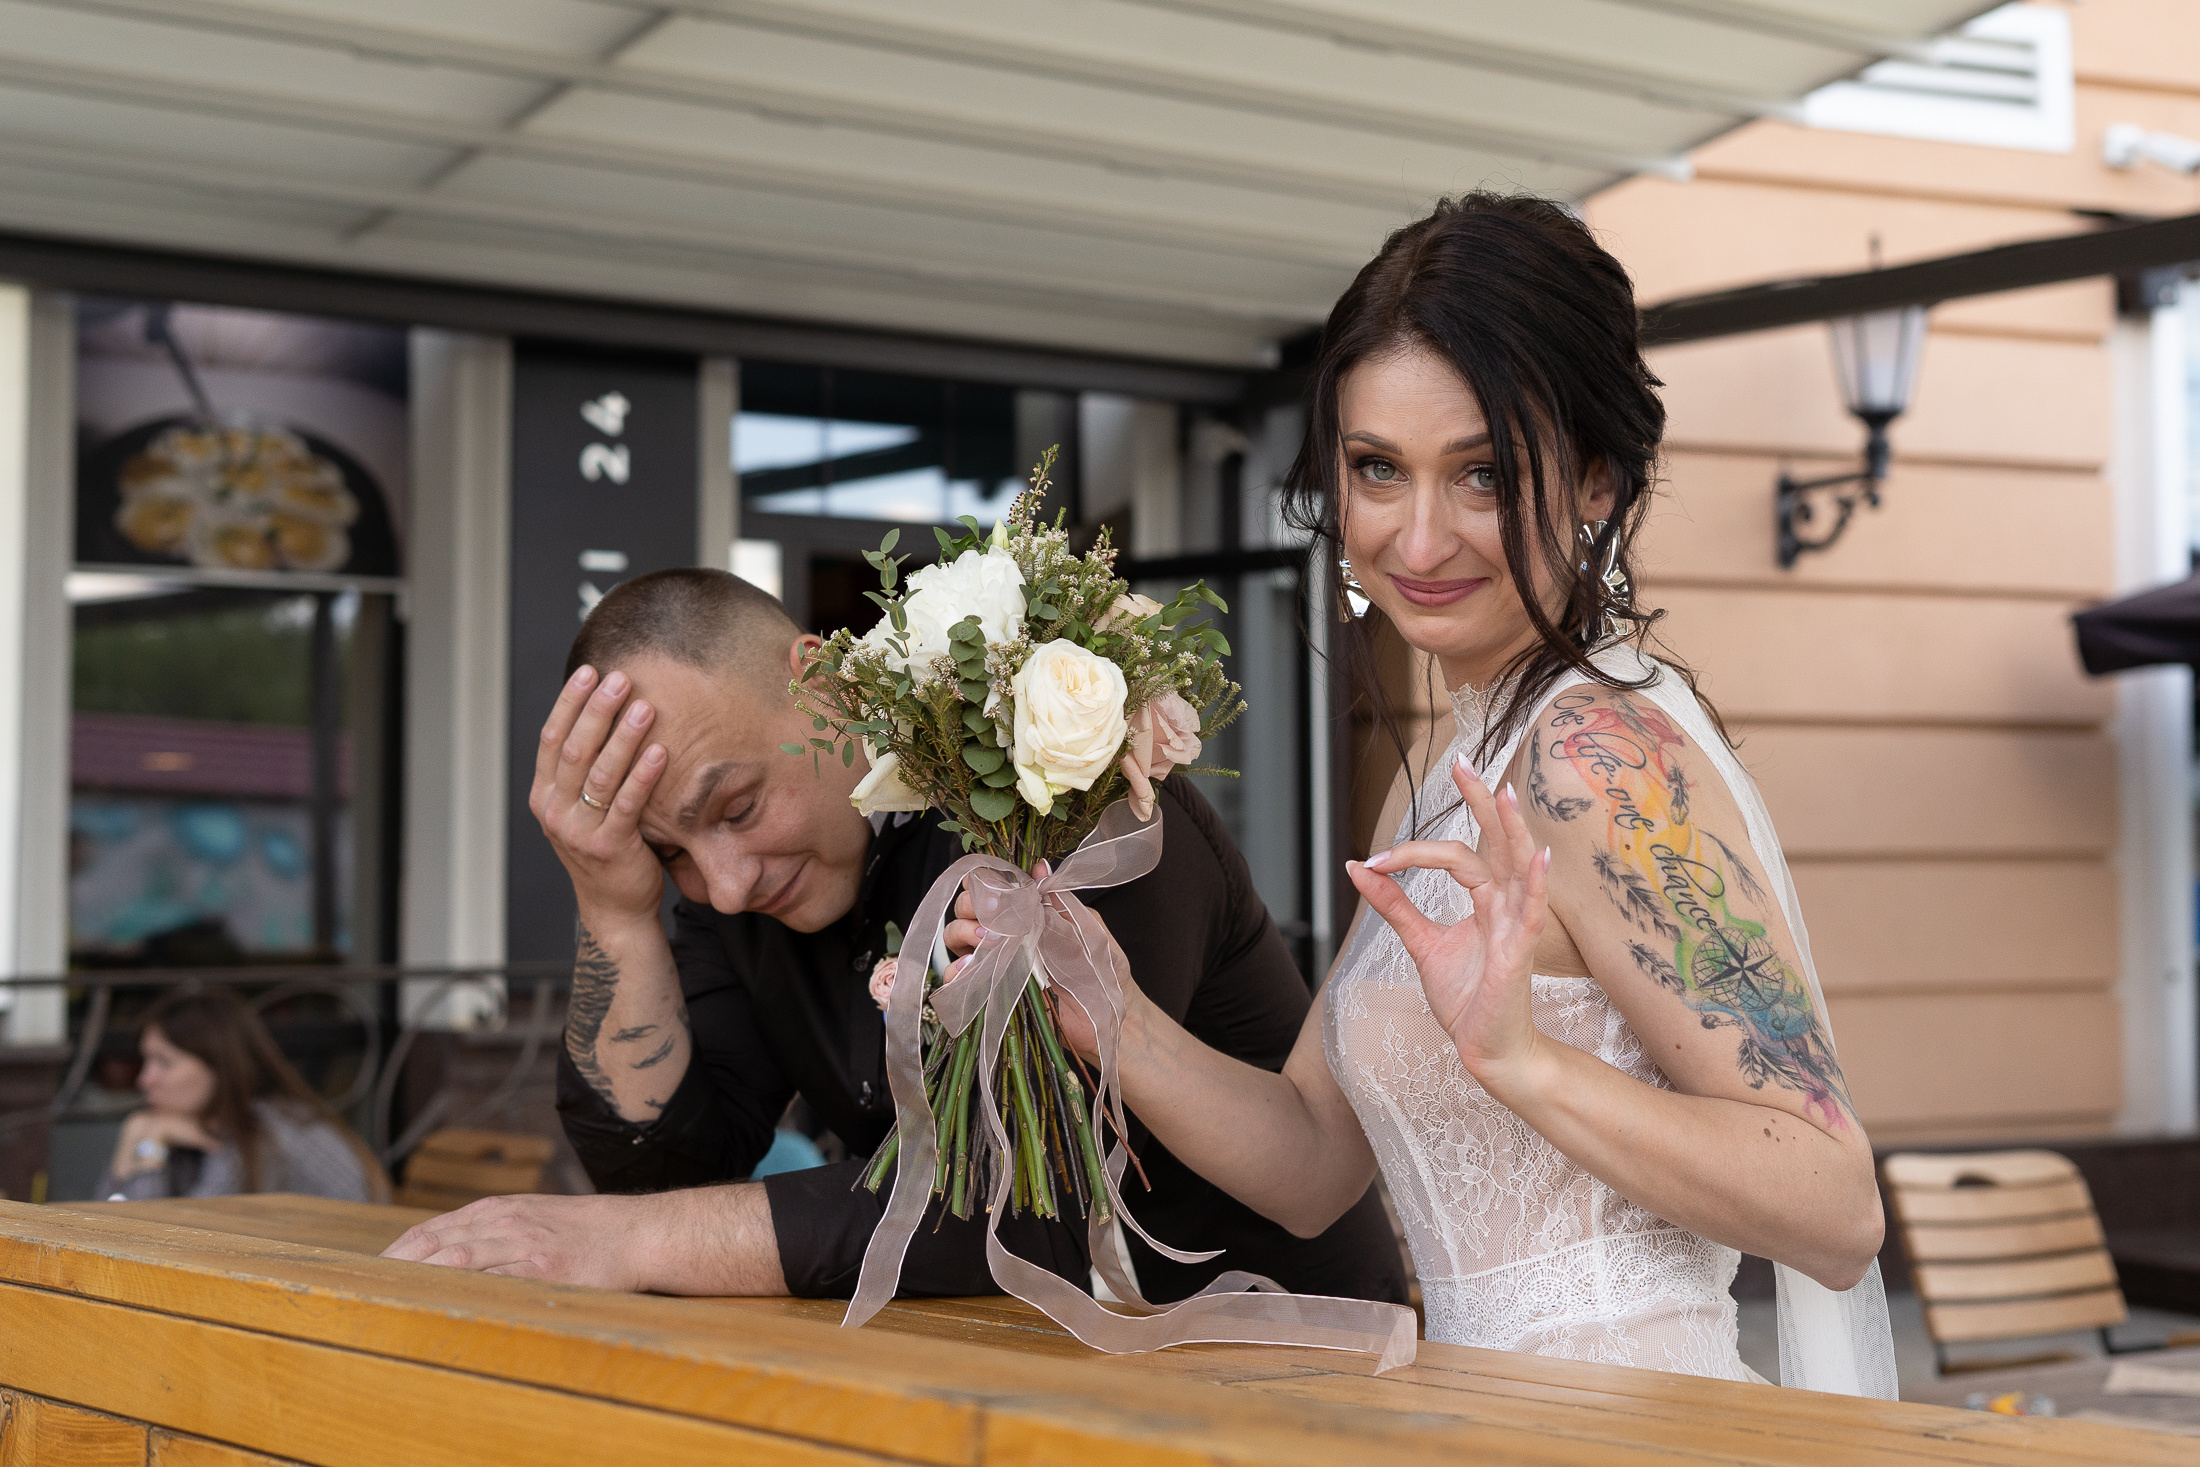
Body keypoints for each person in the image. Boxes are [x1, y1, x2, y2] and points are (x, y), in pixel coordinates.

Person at [945, 194, 1894, 1390]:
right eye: (1377, 469)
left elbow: (1833, 1202)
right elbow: (1310, 1162)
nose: (1418, 537)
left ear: (1597, 480)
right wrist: (1110, 1005)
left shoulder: (1595, 756)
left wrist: (1527, 1063)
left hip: (1635, 1422)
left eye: (1485, 473)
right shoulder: (1445, 777)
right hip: (1469, 1413)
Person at [381, 568, 1405, 1306]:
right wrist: (614, 910)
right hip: (1006, 1368)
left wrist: (632, 1239)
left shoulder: (1060, 809)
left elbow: (1012, 1213)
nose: (725, 887)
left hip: (1281, 1351)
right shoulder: (722, 891)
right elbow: (661, 1172)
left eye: (735, 808)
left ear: (823, 681)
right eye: (672, 853)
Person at [98, 986, 385, 1204]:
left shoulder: (262, 1133)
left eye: (165, 1062)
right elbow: (104, 1226)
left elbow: (160, 1242)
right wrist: (131, 1141)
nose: (144, 1079)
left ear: (219, 1066)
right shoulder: (198, 1128)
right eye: (145, 1061)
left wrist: (149, 1145)